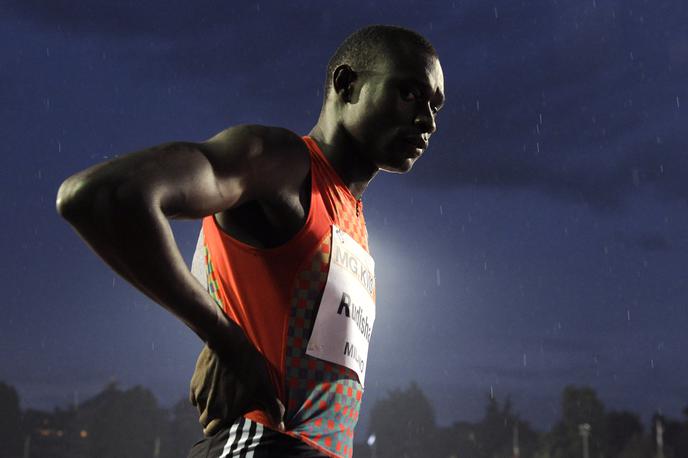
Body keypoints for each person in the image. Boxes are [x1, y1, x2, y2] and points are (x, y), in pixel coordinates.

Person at [56, 24, 444, 458]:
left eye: (435, 106)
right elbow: (102, 196)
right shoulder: (280, 162)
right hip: (264, 443)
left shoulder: (349, 216)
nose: (426, 120)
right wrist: (228, 343)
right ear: (346, 84)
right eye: (409, 94)